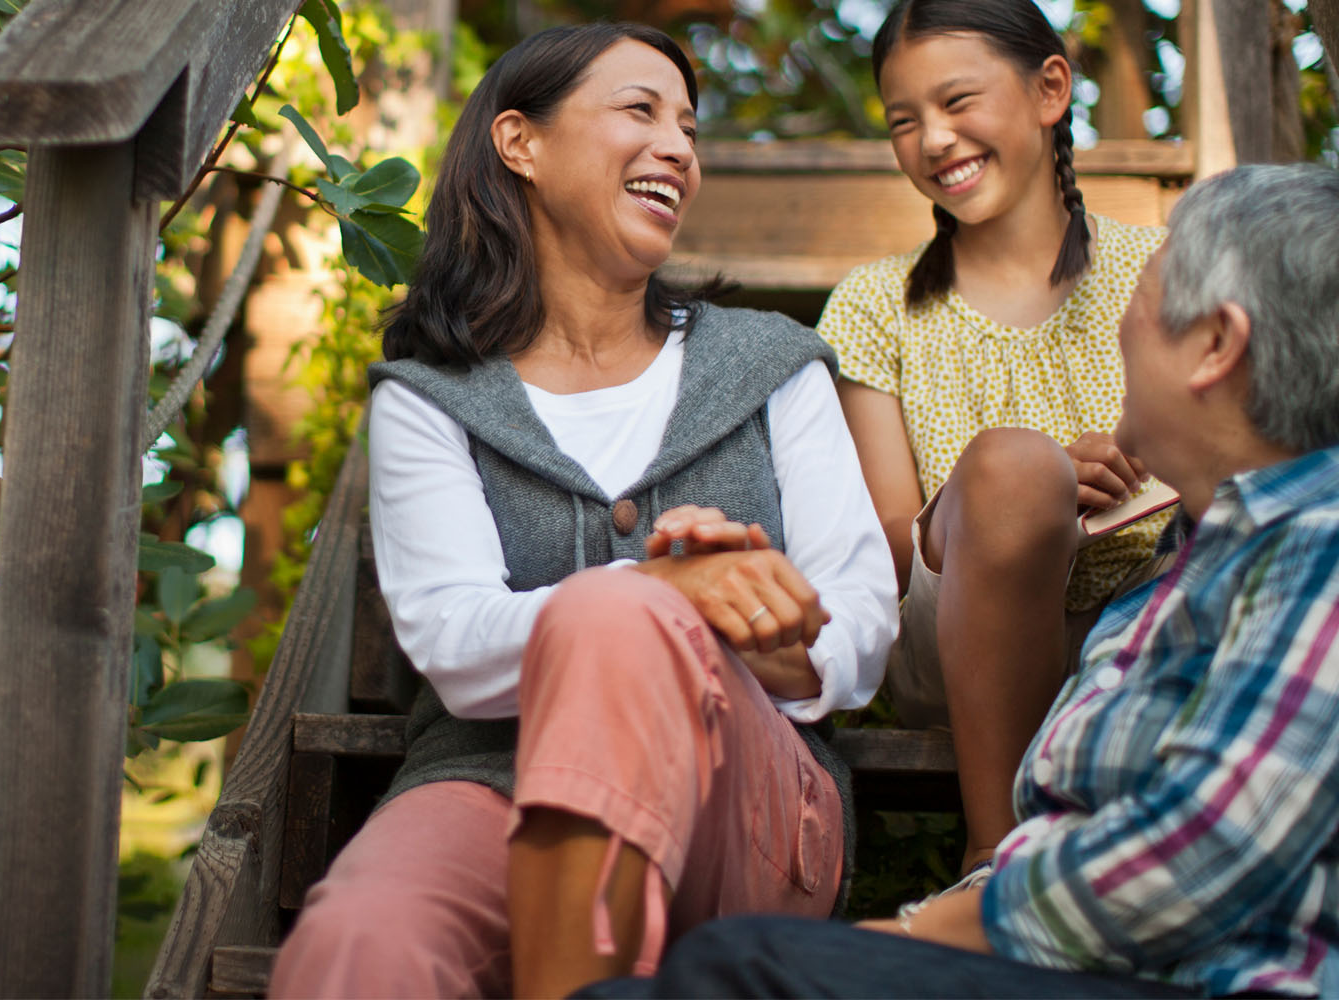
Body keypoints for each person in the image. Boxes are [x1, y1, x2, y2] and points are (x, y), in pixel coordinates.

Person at [579, 162, 1339, 999]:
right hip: (1094, 952)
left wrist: (925, 931)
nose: (1122, 324)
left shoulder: (1317, 547)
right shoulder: (1198, 559)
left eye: (1147, 299)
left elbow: (1205, 851)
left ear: (1216, 346)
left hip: (1208, 978)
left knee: (737, 967)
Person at [267, 22, 898, 1000]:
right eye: (640, 111)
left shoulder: (772, 365)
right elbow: (451, 640)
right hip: (487, 777)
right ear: (521, 143)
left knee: (621, 616)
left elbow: (858, 620)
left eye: (688, 127)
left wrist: (765, 631)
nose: (679, 147)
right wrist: (663, 590)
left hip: (748, 796)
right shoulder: (429, 396)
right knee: (362, 941)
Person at [817, 0, 1173, 877]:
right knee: (1015, 468)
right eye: (905, 122)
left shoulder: (1167, 266)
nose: (934, 139)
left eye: (957, 102)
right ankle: (997, 858)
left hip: (1151, 612)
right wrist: (1019, 490)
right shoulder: (874, 306)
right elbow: (889, 553)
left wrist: (1127, 478)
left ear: (1051, 88)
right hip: (956, 642)